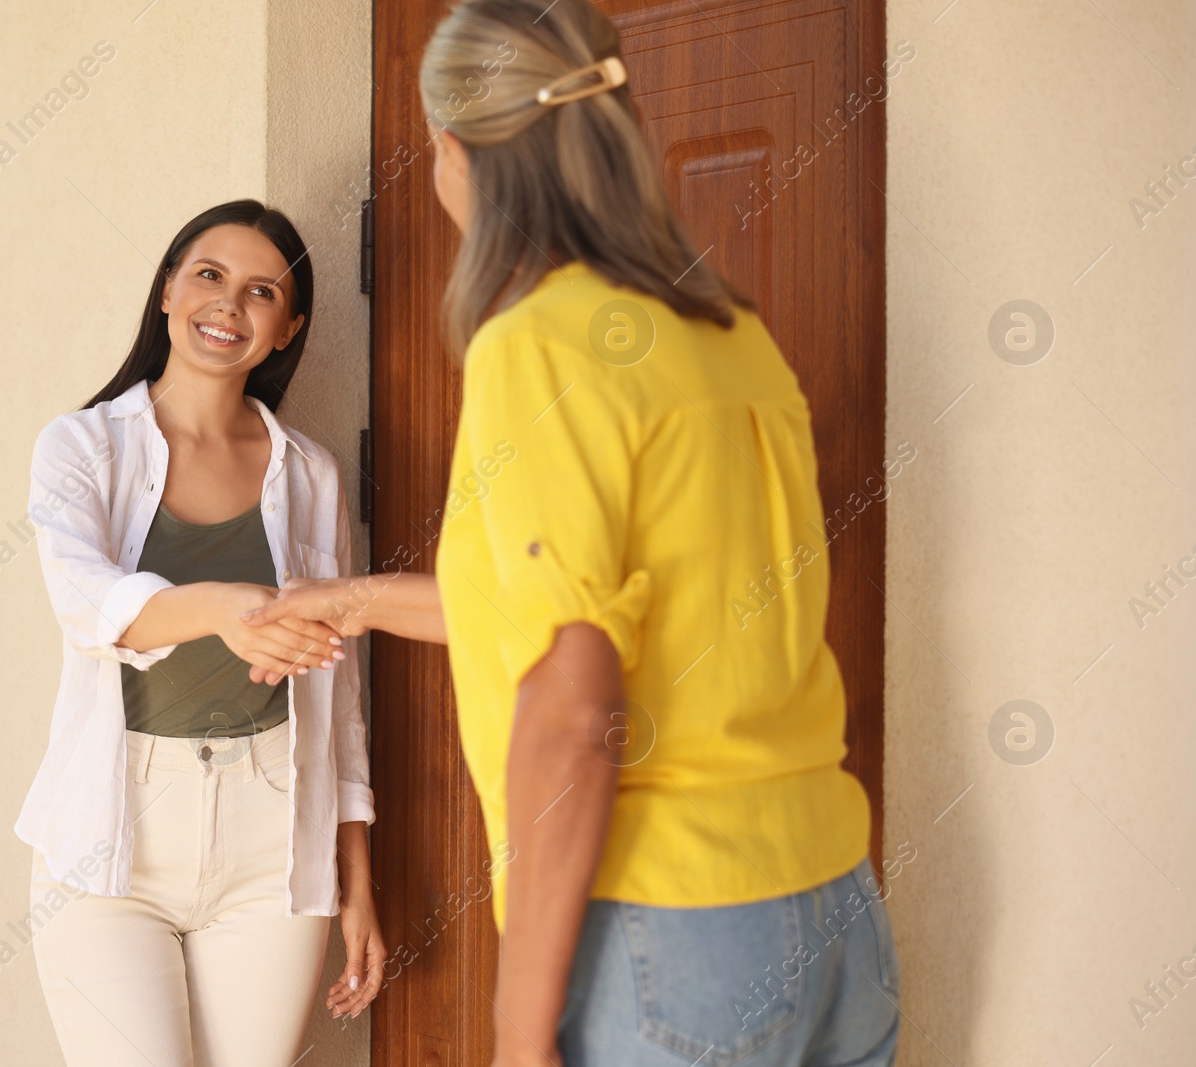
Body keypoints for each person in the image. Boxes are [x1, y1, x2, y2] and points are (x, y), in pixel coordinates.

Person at [241, 2, 901, 1064]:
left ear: (454, 155)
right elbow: (574, 605)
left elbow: (575, 694)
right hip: (834, 908)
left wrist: (515, 1030)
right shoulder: (730, 336)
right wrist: (341, 599)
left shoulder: (536, 345)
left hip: (676, 923)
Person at [15, 200, 386, 1067]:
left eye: (263, 292)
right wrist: (228, 608)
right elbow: (86, 601)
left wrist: (357, 879)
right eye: (210, 276)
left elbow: (342, 699)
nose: (229, 304)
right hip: (113, 837)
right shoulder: (80, 447)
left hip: (275, 840)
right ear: (169, 290)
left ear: (287, 327)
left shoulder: (312, 473)